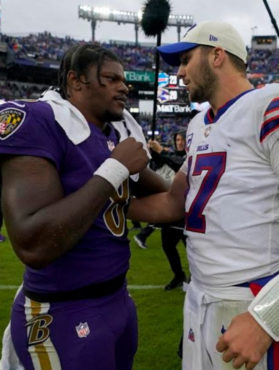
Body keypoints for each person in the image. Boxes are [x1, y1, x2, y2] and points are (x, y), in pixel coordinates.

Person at [127, 20, 279, 370]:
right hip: (199, 295)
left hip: (248, 300)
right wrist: (110, 203)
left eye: (186, 59)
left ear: (217, 55)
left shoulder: (271, 106)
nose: (181, 72)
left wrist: (268, 317)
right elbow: (175, 203)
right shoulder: (200, 124)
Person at [0, 44, 168, 370]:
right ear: (76, 82)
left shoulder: (115, 133)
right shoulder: (41, 120)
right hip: (62, 312)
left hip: (118, 300)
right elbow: (33, 243)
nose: (124, 87)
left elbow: (167, 199)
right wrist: (114, 169)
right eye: (111, 78)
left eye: (125, 81)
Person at [149, 131, 188, 290]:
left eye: (182, 139)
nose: (179, 142)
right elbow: (158, 162)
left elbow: (177, 162)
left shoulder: (189, 156)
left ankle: (197, 278)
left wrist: (161, 151)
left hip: (186, 210)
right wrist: (152, 151)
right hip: (170, 209)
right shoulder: (170, 154)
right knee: (167, 245)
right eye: (177, 139)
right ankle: (179, 275)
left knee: (192, 249)